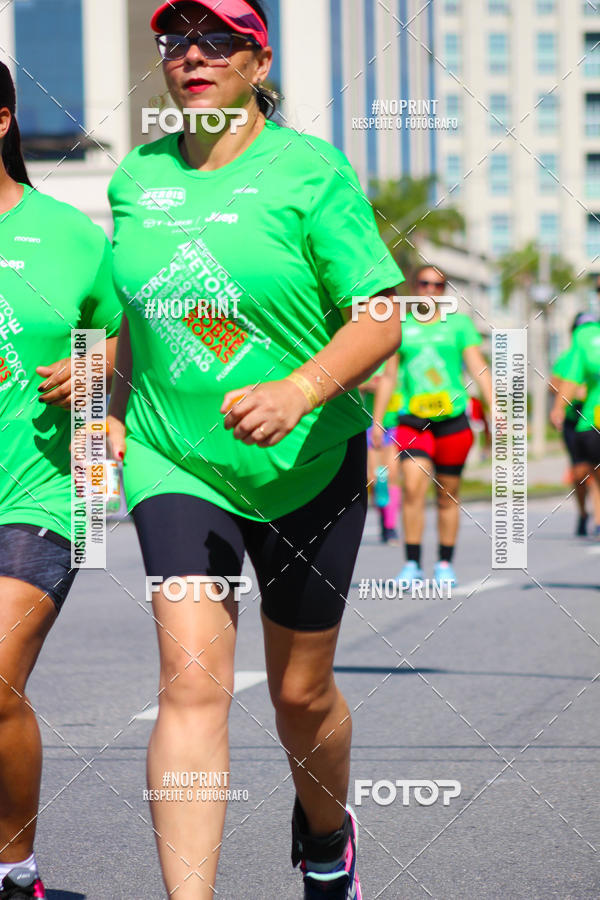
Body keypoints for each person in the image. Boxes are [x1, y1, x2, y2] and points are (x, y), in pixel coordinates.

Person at [106, 2, 404, 897]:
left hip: (309, 464)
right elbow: (136, 309)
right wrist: (106, 402)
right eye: (176, 39)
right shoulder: (138, 177)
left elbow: (380, 315)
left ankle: (327, 839)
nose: (192, 54)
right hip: (176, 460)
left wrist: (299, 390)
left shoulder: (310, 170)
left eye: (217, 38)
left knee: (299, 696)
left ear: (258, 59)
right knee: (190, 680)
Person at [0, 63, 120, 899]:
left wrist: (93, 369)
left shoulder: (70, 234)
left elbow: (121, 337)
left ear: (2, 120)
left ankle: (15, 870)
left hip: (41, 489)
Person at [373, 265, 492, 588]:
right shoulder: (401, 325)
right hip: (414, 422)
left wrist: (494, 406)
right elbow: (388, 376)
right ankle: (412, 563)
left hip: (453, 421)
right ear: (415, 287)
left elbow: (478, 368)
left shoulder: (459, 325)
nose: (430, 290)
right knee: (413, 488)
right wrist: (378, 420)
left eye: (438, 285)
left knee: (447, 494)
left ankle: (444, 563)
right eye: (425, 283)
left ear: (444, 291)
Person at [549, 312, 600, 536]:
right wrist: (562, 403)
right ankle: (582, 513)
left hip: (590, 418)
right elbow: (556, 384)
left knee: (595, 471)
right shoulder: (568, 357)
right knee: (580, 472)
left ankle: (597, 519)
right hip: (574, 420)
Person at [360, 365, 403, 543]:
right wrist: (368, 385)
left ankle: (390, 526)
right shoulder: (372, 359)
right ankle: (383, 514)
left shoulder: (401, 360)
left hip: (394, 424)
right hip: (371, 425)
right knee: (375, 476)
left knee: (392, 474)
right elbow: (355, 384)